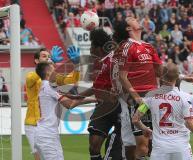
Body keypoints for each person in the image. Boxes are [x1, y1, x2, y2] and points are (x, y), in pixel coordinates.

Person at [65, 29, 122, 160]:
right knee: (93, 146)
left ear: (98, 47)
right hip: (102, 108)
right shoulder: (102, 62)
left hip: (118, 107)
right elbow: (96, 87)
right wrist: (78, 96)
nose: (90, 49)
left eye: (91, 46)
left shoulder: (115, 60)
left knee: (116, 149)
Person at [132, 63, 193, 160]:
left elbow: (135, 119)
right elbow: (192, 126)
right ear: (177, 78)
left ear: (162, 76)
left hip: (160, 149)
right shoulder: (185, 98)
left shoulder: (150, 96)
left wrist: (144, 129)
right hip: (180, 148)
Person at [112, 17, 163, 160]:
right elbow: (122, 76)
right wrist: (136, 98)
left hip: (154, 96)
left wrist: (180, 76)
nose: (136, 19)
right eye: (132, 19)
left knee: (155, 143)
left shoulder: (149, 46)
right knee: (142, 145)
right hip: (139, 97)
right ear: (129, 28)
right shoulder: (126, 46)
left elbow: (160, 71)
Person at [24, 46, 80, 160]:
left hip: (50, 126)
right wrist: (50, 63)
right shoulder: (31, 75)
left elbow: (72, 79)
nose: (48, 59)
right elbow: (33, 78)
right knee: (39, 157)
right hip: (34, 124)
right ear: (36, 61)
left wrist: (77, 65)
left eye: (49, 57)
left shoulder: (52, 78)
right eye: (44, 56)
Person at [34, 62, 96, 160]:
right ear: (48, 73)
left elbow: (72, 96)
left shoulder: (45, 86)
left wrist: (94, 99)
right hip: (47, 134)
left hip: (44, 132)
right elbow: (70, 104)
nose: (56, 73)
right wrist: (95, 99)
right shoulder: (49, 87)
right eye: (54, 70)